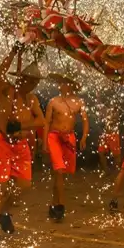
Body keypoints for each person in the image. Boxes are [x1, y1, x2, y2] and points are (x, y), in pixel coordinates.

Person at [0, 44, 45, 244]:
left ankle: (4, 213)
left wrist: (20, 125)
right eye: (32, 81)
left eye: (36, 82)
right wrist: (12, 52)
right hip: (0, 143)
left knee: (24, 185)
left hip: (20, 146)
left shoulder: (32, 99)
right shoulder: (7, 90)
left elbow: (41, 121)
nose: (34, 85)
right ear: (23, 79)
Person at [43, 73, 88, 222]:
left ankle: (53, 203)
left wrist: (83, 137)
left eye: (64, 83)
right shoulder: (53, 102)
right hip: (54, 137)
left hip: (69, 138)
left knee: (62, 174)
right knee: (60, 171)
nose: (61, 85)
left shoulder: (78, 102)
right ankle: (61, 207)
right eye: (60, 83)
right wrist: (44, 143)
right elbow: (47, 123)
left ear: (70, 85)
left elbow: (85, 121)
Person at [97, 103, 122, 173]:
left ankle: (116, 171)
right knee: (101, 152)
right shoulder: (104, 108)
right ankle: (106, 170)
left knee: (116, 155)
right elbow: (101, 121)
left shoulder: (115, 109)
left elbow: (115, 120)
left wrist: (109, 117)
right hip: (105, 134)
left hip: (113, 134)